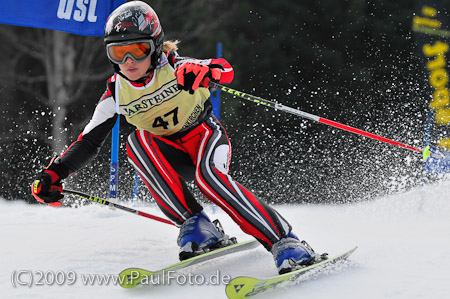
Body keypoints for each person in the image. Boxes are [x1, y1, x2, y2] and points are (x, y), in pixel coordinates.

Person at [31, 1, 315, 274]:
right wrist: (55, 173)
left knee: (209, 179)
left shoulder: (176, 67)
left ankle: (285, 241)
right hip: (170, 154)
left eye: (138, 50)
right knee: (136, 142)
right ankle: (196, 224)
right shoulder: (116, 93)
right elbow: (88, 141)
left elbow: (224, 69)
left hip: (205, 139)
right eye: (119, 53)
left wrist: (204, 71)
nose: (129, 61)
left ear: (155, 47)